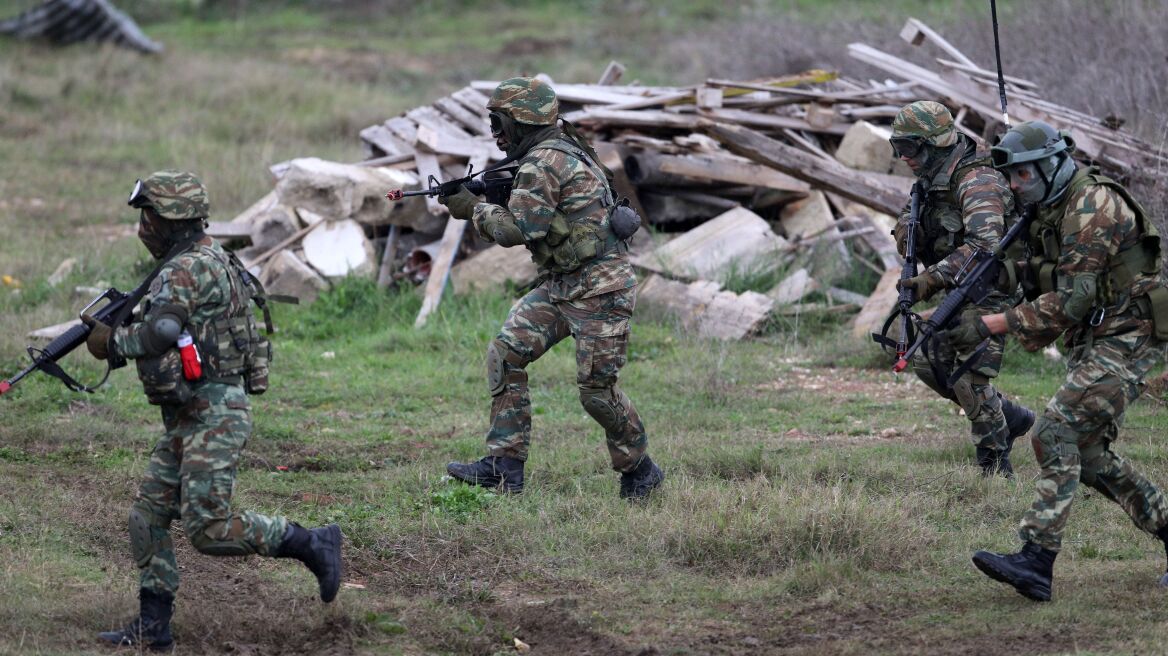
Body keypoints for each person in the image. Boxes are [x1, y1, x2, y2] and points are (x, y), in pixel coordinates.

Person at [85, 171, 342, 651]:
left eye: (150, 216)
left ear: (173, 220)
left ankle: (313, 543)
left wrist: (112, 343)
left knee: (208, 528)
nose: (144, 227)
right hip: (195, 411)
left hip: (214, 413)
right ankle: (154, 628)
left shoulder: (185, 268)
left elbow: (161, 332)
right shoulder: (209, 258)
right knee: (148, 517)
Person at [948, 121, 1168, 601]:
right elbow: (1048, 273)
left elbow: (1071, 301)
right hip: (1098, 335)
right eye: (1010, 177)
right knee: (1087, 457)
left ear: (1050, 165)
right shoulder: (1053, 205)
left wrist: (992, 325)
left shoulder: (1092, 205)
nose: (1013, 186)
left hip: (1131, 334)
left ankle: (1036, 559)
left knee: (1054, 433)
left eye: (1021, 175)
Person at [438, 77, 663, 500]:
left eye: (499, 122)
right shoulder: (562, 146)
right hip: (563, 285)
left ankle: (641, 469)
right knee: (505, 355)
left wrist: (472, 208)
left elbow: (517, 229)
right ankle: (504, 468)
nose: (495, 133)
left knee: (597, 394)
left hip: (601, 291)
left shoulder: (543, 163)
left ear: (521, 122)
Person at [889, 100, 1035, 477]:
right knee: (925, 357)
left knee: (969, 370)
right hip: (963, 283)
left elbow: (986, 247)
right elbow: (907, 226)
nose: (903, 158)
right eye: (898, 148)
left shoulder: (977, 179)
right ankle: (1009, 417)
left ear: (935, 144)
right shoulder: (929, 178)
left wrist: (930, 279)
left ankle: (994, 465)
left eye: (910, 148)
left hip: (998, 283)